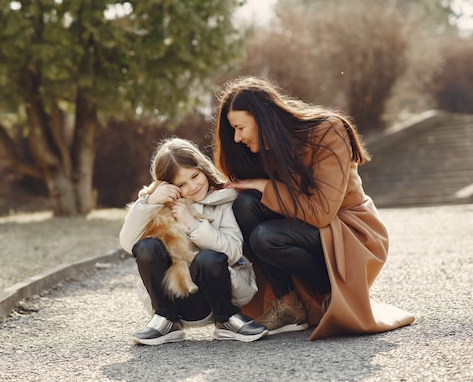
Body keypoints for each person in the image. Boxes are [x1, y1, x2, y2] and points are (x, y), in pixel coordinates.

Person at [213, 76, 415, 340]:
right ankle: (289, 306)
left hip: (349, 232)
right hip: (305, 227)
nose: (237, 138)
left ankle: (331, 296)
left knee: (265, 236)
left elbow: (321, 212)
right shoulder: (262, 149)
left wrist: (264, 184)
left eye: (240, 128)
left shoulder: (328, 131)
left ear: (262, 117)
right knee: (245, 203)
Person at [119, 137, 268, 345]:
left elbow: (233, 251)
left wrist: (193, 225)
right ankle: (165, 320)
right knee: (146, 246)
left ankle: (227, 319)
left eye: (195, 176)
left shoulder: (222, 201)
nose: (193, 186)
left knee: (209, 258)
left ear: (203, 168)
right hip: (173, 297)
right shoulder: (157, 205)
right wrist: (150, 202)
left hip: (215, 294)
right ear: (168, 186)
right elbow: (128, 244)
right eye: (181, 184)